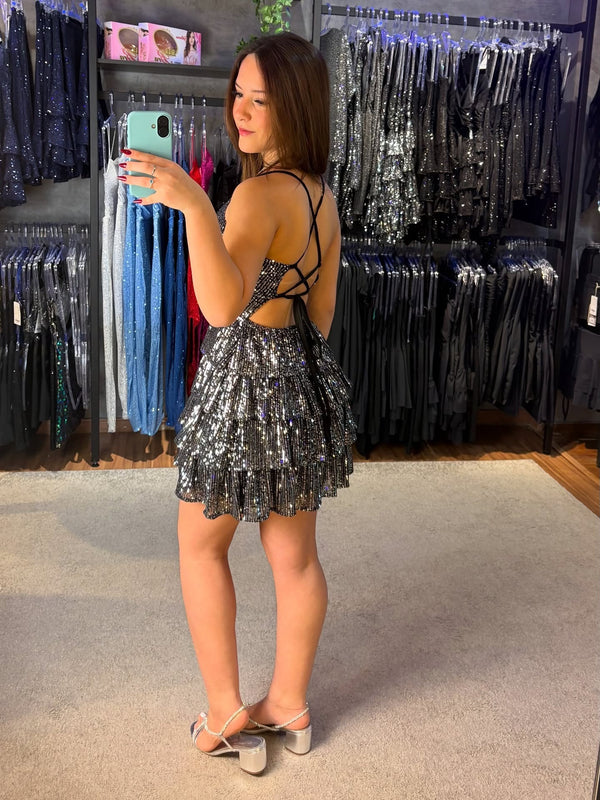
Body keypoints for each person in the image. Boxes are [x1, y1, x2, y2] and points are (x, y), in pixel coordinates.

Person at [118, 31, 356, 774]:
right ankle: (289, 703)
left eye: (261, 100)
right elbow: (321, 314)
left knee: (200, 545)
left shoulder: (255, 194)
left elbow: (222, 309)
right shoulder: (321, 197)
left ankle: (225, 715)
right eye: (239, 95)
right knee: (296, 558)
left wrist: (195, 205)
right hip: (299, 384)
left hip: (243, 382)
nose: (241, 112)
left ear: (297, 108)